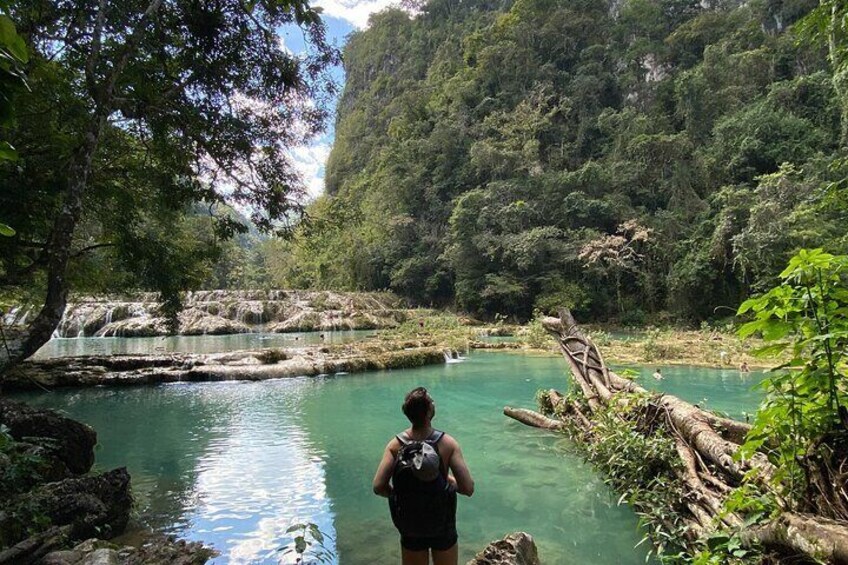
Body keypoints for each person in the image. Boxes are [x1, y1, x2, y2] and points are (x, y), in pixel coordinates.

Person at [373, 387, 474, 565]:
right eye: (432, 402)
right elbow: (468, 488)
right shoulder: (448, 444)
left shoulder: (395, 445)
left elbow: (378, 486)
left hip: (410, 525)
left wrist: (399, 494)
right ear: (429, 412)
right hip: (442, 524)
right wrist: (448, 480)